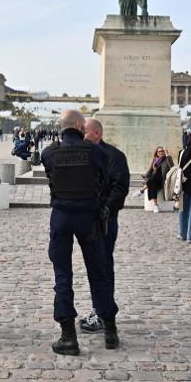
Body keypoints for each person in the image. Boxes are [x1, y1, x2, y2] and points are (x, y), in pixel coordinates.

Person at [41, 109, 118, 355]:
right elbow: (104, 180)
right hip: (88, 216)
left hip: (62, 216)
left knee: (63, 276)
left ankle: (68, 336)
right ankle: (110, 332)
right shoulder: (95, 152)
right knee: (99, 274)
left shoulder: (49, 152)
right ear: (78, 125)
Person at [78, 118, 129, 335]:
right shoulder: (81, 153)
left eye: (85, 131)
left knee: (103, 267)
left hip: (105, 220)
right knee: (94, 267)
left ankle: (103, 314)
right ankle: (100, 309)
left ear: (97, 133)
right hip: (84, 218)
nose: (81, 135)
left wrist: (104, 209)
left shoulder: (114, 156)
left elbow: (120, 188)